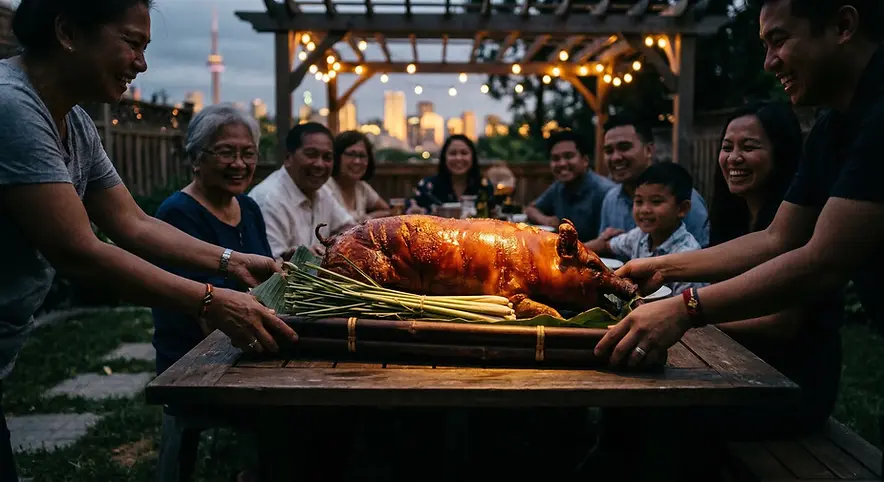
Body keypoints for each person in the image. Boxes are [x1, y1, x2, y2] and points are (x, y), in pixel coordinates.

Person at [0, 1, 297, 480]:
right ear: (68, 32)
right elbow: (79, 251)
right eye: (132, 43)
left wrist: (231, 260)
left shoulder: (75, 122)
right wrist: (212, 300)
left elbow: (133, 222)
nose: (142, 64)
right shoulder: (13, 108)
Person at [595, 0, 882, 381]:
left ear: (843, 26)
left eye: (779, 40)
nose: (769, 62)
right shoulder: (832, 129)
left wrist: (685, 308)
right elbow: (777, 238)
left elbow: (823, 261)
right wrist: (660, 267)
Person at [151, 104, 271, 482]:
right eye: (225, 152)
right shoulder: (178, 214)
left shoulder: (248, 207)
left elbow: (266, 286)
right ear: (196, 159)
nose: (239, 163)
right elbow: (205, 319)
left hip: (249, 341)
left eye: (248, 153)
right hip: (197, 359)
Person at [585, 162, 705, 296]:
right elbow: (607, 245)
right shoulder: (638, 236)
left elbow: (688, 302)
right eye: (639, 201)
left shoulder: (687, 254)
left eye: (656, 202)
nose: (644, 210)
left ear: (682, 209)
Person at [597, 114, 710, 247]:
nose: (615, 157)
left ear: (649, 150)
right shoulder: (611, 199)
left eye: (624, 147)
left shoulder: (684, 198)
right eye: (609, 151)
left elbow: (702, 255)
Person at [249, 122, 355, 259]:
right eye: (311, 155)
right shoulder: (269, 199)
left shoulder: (322, 191)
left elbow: (349, 228)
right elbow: (272, 263)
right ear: (288, 158)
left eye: (327, 157)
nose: (320, 164)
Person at [524, 130, 615, 241]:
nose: (562, 163)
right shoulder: (559, 187)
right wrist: (546, 220)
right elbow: (531, 209)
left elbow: (609, 242)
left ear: (585, 160)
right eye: (556, 159)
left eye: (569, 156)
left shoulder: (605, 192)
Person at [406, 134, 495, 214]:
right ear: (444, 157)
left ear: (473, 157)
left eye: (464, 153)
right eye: (453, 153)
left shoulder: (484, 186)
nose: (458, 158)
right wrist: (414, 211)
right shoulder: (427, 186)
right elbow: (410, 206)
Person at [326, 130, 390, 222]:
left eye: (362, 156)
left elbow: (386, 210)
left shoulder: (361, 186)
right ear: (337, 157)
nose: (357, 161)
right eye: (351, 154)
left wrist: (368, 218)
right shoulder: (326, 188)